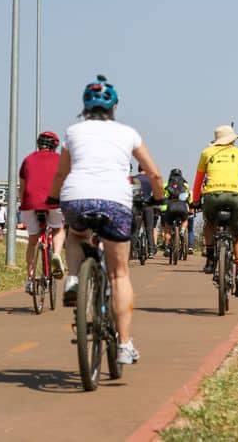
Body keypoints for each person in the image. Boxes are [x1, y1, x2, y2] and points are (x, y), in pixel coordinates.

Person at [48, 75, 163, 365]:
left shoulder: (72, 132)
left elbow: (61, 175)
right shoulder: (129, 133)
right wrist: (159, 198)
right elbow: (154, 174)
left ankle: (74, 278)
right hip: (115, 201)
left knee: (76, 235)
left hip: (77, 197)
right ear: (114, 108)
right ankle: (124, 344)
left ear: (84, 108)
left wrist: (52, 198)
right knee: (119, 274)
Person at [192, 124, 238, 296]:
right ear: (232, 140)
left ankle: (209, 260)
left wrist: (195, 201)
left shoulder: (206, 153)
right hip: (235, 196)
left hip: (212, 196)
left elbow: (198, 181)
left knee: (209, 223)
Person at [19, 131, 65, 294]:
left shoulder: (28, 160)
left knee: (33, 241)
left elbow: (22, 188)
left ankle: (30, 278)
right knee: (58, 229)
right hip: (54, 203)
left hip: (30, 203)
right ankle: (57, 255)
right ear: (55, 146)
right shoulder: (60, 160)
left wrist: (23, 203)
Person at [161, 169, 190, 257]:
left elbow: (163, 196)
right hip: (182, 206)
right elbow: (188, 196)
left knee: (167, 228)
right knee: (185, 220)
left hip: (170, 207)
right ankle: (182, 230)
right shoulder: (185, 184)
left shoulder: (166, 184)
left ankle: (167, 247)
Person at [131, 164, 156, 258]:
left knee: (135, 230)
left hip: (137, 206)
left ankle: (133, 251)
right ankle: (151, 251)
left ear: (138, 169)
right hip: (149, 206)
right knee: (149, 229)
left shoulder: (134, 179)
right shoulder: (151, 179)